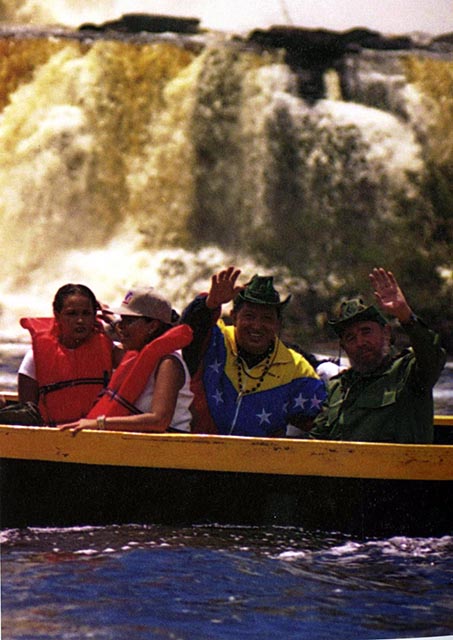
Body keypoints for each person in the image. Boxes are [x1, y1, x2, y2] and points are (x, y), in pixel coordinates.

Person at [181, 267, 326, 437]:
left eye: (266, 319)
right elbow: (186, 332)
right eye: (249, 316)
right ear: (234, 317)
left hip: (259, 460)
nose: (257, 326)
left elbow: (322, 423)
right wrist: (209, 305)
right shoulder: (214, 340)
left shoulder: (296, 368)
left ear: (277, 324)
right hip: (198, 454)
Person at [309, 267, 446, 443]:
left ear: (386, 333)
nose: (360, 342)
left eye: (366, 332)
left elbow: (433, 355)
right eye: (351, 337)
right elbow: (317, 441)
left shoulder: (409, 373)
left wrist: (405, 315)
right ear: (344, 347)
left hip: (401, 469)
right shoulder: (337, 388)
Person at [60, 286, 194, 433]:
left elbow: (159, 421)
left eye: (128, 321)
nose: (120, 327)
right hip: (141, 447)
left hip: (170, 448)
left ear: (153, 326)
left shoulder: (168, 363)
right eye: (120, 320)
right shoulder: (136, 355)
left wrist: (97, 424)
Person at [16, 283, 122, 426]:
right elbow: (27, 414)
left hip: (97, 435)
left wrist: (115, 322)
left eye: (86, 313)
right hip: (54, 437)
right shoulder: (34, 357)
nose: (80, 320)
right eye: (72, 314)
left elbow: (142, 360)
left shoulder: (109, 349)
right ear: (57, 315)